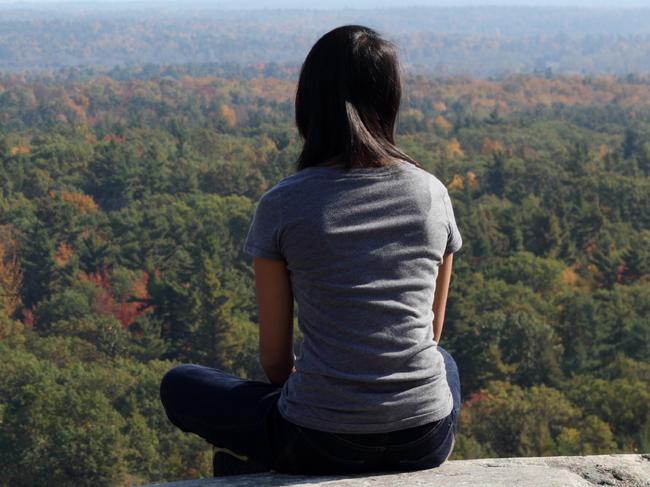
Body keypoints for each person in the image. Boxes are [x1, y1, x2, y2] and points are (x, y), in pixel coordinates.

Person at [159, 24, 463, 477]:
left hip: (317, 441)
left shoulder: (284, 203)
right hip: (424, 438)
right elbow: (431, 333)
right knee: (444, 362)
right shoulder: (431, 194)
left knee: (180, 385)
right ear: (389, 100)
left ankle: (265, 459)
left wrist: (324, 402)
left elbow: (276, 362)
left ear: (310, 103)